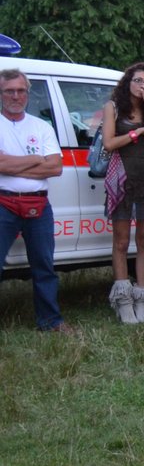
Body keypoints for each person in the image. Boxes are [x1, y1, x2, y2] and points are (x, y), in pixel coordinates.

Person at [0, 68, 69, 332]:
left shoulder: (42, 126)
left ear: (28, 94)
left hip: (38, 205)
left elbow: (55, 168)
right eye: (9, 91)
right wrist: (35, 159)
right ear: (1, 93)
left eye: (20, 91)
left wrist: (9, 163)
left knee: (44, 266)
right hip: (3, 203)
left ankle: (50, 321)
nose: (15, 96)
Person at [102, 62, 144, 324]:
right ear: (127, 82)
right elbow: (109, 143)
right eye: (137, 80)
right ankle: (123, 299)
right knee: (120, 241)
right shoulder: (113, 107)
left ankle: (142, 298)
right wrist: (136, 133)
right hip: (122, 179)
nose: (141, 85)